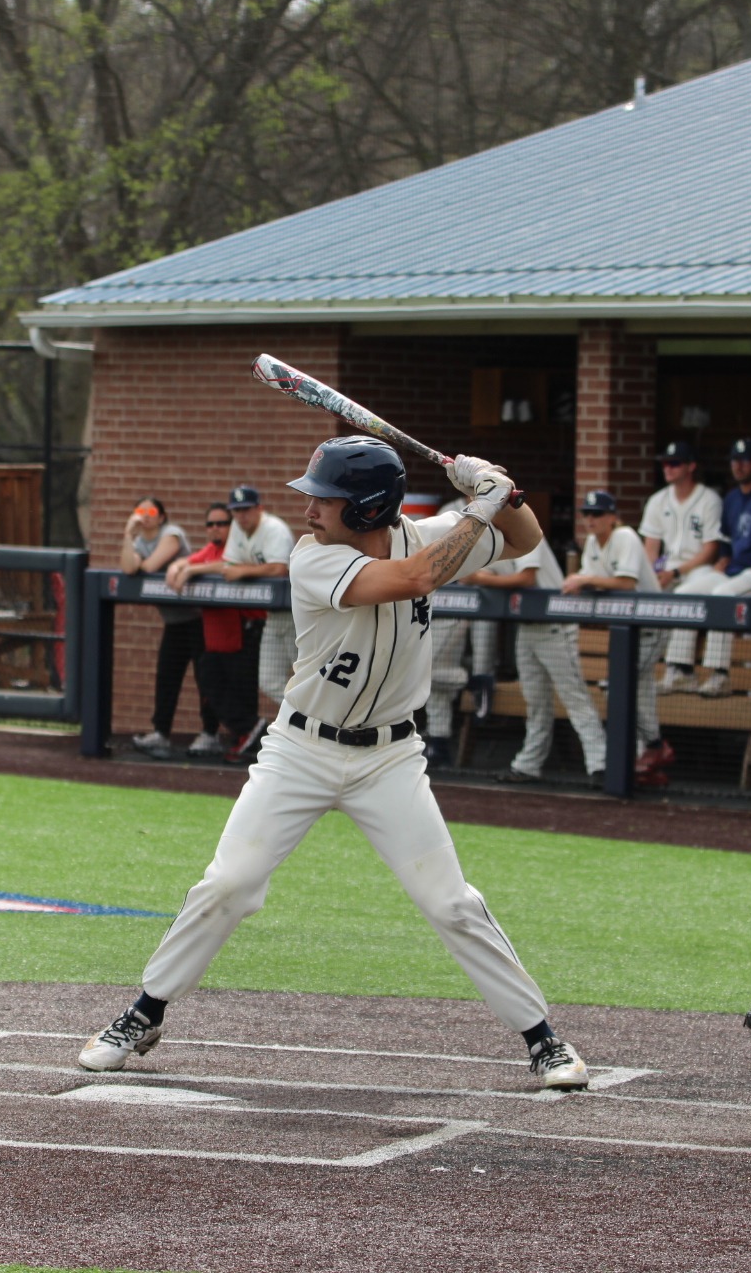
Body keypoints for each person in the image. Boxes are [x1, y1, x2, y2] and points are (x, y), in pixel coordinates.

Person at [77, 436, 591, 1090]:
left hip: (392, 759)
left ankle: (542, 1038)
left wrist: (499, 488)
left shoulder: (429, 533)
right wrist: (479, 508)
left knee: (452, 902)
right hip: (301, 751)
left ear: (370, 508)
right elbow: (419, 577)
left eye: (327, 498)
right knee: (228, 883)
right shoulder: (313, 558)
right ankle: (144, 1012)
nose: (311, 509)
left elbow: (523, 538)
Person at [461, 535, 608, 788]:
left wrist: (480, 579)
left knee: (574, 698)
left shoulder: (526, 534)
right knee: (535, 701)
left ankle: (601, 765)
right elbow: (475, 575)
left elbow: (527, 578)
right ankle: (528, 765)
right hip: (527, 628)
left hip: (555, 625)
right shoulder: (492, 542)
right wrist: (477, 575)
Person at [167, 484, 298, 762]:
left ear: (259, 508)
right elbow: (228, 566)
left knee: (306, 676)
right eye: (236, 511)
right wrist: (187, 566)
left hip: (296, 611)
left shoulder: (274, 529)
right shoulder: (238, 530)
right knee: (270, 681)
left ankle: (320, 726)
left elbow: (278, 569)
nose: (241, 516)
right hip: (272, 617)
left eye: (246, 510)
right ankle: (306, 725)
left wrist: (242, 571)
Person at [564, 489, 672, 783]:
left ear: (612, 517)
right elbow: (591, 584)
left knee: (622, 686)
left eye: (597, 514)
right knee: (637, 690)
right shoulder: (591, 546)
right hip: (626, 629)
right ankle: (646, 758)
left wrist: (584, 579)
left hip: (652, 624)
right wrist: (584, 582)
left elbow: (625, 582)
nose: (590, 519)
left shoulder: (625, 536)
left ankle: (654, 745)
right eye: (586, 514)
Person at [119, 497, 206, 759]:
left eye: (151, 511)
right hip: (174, 622)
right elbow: (128, 567)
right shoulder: (137, 541)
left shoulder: (172, 534)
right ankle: (160, 734)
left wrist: (138, 560)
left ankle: (210, 734)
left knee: (205, 679)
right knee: (166, 677)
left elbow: (148, 566)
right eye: (140, 511)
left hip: (198, 619)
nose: (145, 515)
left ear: (161, 516)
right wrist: (127, 534)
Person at [692, 438, 751, 699]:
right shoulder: (731, 498)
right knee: (686, 592)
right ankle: (679, 668)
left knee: (721, 599)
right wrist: (724, 557)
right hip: (734, 569)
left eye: (745, 460)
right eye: (735, 460)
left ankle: (719, 674)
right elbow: (727, 538)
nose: (739, 466)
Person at [421, 496, 503, 767]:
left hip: (482, 602)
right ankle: (469, 683)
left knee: (433, 669)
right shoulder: (449, 510)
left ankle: (481, 676)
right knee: (432, 669)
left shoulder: (501, 509)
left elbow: (503, 572)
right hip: (449, 598)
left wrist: (481, 577)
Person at [641, 440, 724, 693]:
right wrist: (652, 575)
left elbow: (711, 550)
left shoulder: (709, 499)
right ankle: (637, 673)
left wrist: (675, 572)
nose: (668, 468)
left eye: (674, 463)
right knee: (643, 598)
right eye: (665, 463)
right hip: (667, 570)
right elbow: (651, 547)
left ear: (691, 466)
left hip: (699, 569)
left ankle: (680, 670)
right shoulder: (657, 500)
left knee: (683, 597)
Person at [186, 505, 265, 759]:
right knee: (210, 680)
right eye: (210, 524)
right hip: (216, 636)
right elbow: (188, 562)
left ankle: (247, 740)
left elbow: (228, 564)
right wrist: (182, 568)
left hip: (244, 631)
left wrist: (191, 570)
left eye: (221, 523)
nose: (215, 528)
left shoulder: (238, 546)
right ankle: (250, 731)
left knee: (242, 689)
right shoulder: (209, 550)